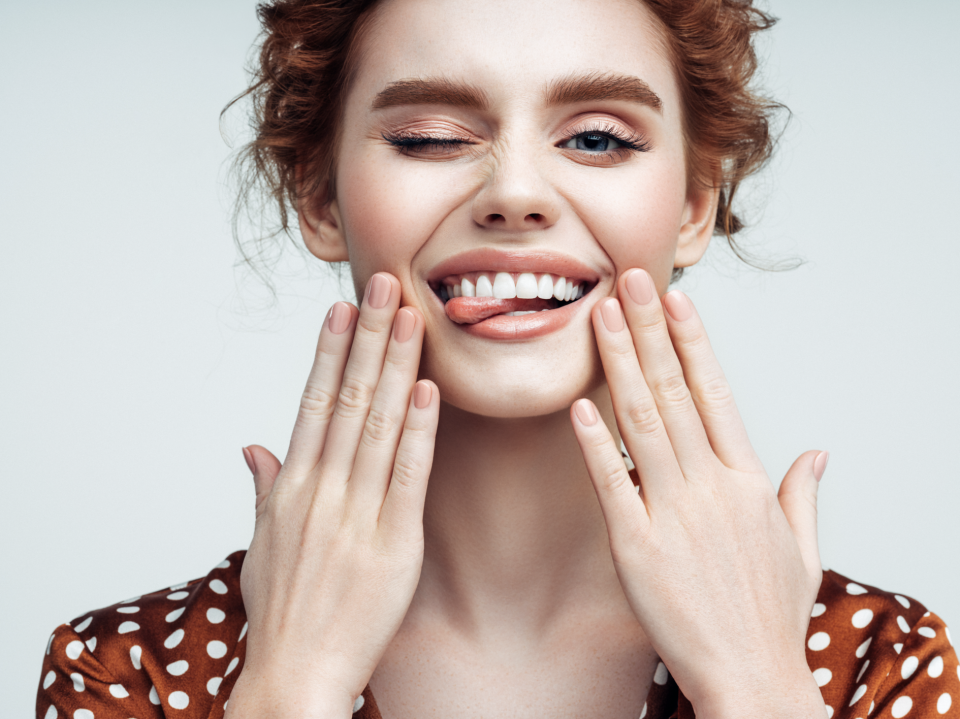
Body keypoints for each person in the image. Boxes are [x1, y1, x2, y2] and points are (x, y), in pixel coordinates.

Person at [35, 0, 960, 717]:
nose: (515, 193)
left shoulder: (876, 658)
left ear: (694, 204)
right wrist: (292, 684)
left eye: (597, 138)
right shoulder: (132, 671)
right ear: (318, 196)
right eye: (430, 138)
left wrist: (759, 686)